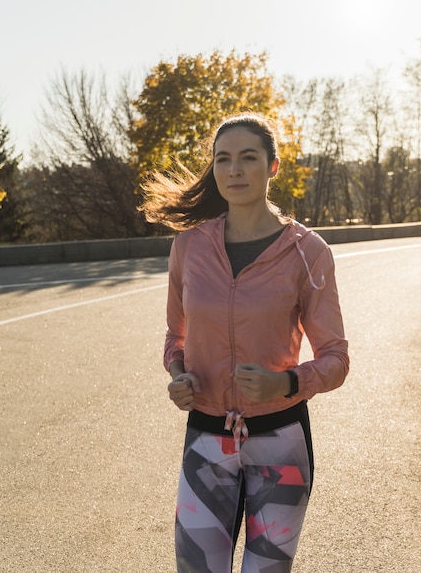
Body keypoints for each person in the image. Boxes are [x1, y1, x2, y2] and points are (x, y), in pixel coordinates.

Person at [142, 113, 350, 573]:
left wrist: (285, 383)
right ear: (214, 169)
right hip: (206, 440)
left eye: (248, 158)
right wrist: (179, 375)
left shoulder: (307, 251)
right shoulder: (189, 248)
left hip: (281, 442)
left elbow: (336, 358)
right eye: (223, 159)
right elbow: (174, 338)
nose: (234, 170)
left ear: (273, 166)